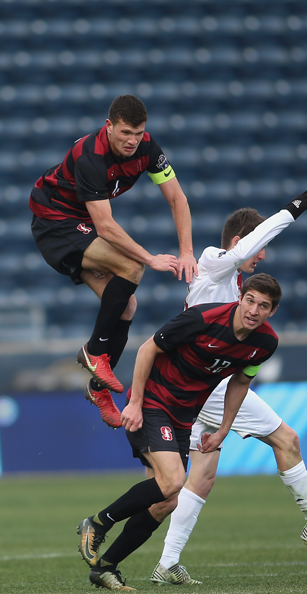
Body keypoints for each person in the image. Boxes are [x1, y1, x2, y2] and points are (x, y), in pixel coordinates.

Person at [149, 190, 307, 587]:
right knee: (287, 439)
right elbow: (255, 242)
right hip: (208, 386)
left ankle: (165, 562)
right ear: (238, 243)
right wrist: (291, 212)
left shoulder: (234, 285)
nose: (260, 258)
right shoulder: (213, 262)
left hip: (198, 384)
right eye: (256, 251)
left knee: (199, 477)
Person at [76, 273, 282, 590]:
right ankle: (98, 523)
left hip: (184, 418)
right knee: (173, 481)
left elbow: (241, 382)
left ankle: (105, 567)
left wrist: (224, 429)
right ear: (240, 297)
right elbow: (147, 349)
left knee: (166, 501)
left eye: (263, 306)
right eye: (250, 300)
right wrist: (135, 402)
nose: (254, 310)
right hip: (153, 402)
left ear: (272, 311)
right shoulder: (204, 318)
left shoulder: (265, 343)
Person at [29, 95, 197, 427]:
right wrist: (151, 259)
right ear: (109, 127)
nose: (132, 141)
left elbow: (177, 198)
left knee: (126, 307)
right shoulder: (91, 156)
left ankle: (97, 388)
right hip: (54, 220)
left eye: (138, 133)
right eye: (125, 133)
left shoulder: (148, 149)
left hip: (82, 223)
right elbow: (105, 227)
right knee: (132, 267)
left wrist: (187, 251)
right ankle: (94, 353)